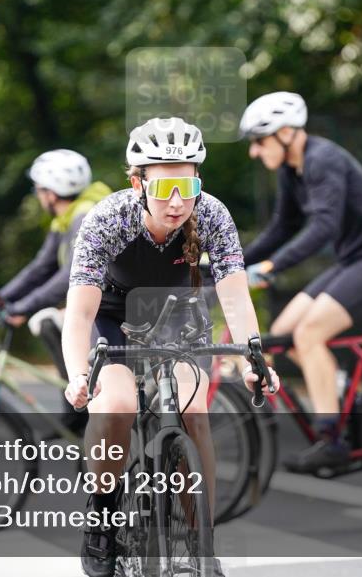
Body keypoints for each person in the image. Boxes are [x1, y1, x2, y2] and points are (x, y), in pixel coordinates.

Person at [62, 117, 280, 577]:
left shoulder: (213, 214)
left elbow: (235, 299)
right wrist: (78, 375)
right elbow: (79, 314)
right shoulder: (106, 218)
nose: (178, 201)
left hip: (178, 314)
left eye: (188, 184)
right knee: (117, 403)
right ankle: (102, 514)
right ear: (138, 183)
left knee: (192, 409)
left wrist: (253, 360)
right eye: (164, 189)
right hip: (113, 316)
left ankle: (203, 544)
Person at [239, 91, 362, 473]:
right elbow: (282, 227)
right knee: (281, 335)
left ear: (286, 133)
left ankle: (331, 437)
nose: (254, 151)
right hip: (354, 260)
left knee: (309, 334)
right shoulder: (291, 169)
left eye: (258, 141)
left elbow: (323, 227)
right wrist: (233, 261)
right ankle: (334, 395)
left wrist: (272, 267)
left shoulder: (323, 160)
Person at [0, 149, 110, 431]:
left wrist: (22, 308)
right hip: (95, 304)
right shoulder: (69, 218)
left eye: (39, 189)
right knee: (46, 320)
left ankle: (78, 408)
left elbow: (69, 276)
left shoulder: (83, 218)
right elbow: (40, 268)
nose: (38, 195)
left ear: (52, 193)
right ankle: (77, 409)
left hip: (108, 308)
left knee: (44, 320)